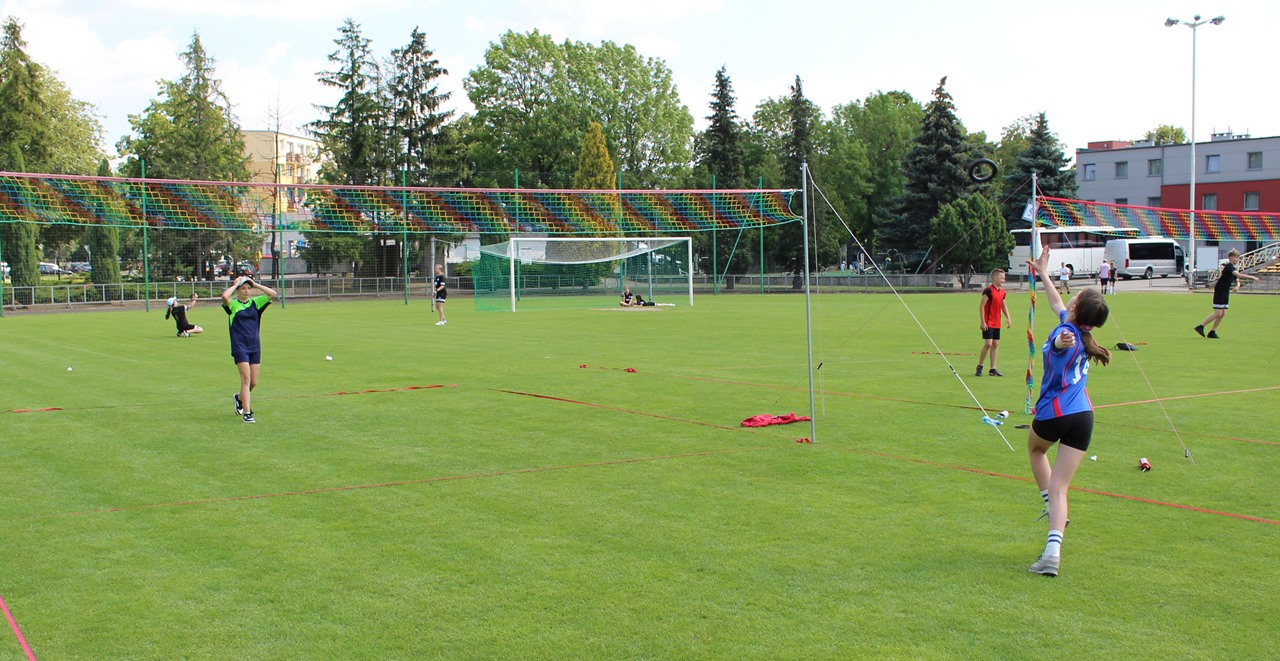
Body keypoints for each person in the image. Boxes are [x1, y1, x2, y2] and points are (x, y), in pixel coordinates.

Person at [1024, 245, 1111, 577]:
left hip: (1055, 413)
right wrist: (1044, 273)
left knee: (1035, 450)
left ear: (1077, 306)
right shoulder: (1080, 330)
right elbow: (1056, 304)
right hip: (1084, 417)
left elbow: (1063, 339)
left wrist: (1061, 342)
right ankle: (1052, 552)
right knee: (1061, 487)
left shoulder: (1068, 334)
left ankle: (1050, 508)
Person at [220, 275, 279, 424]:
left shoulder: (255, 302)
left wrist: (255, 284)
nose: (246, 291)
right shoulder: (233, 305)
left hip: (254, 345)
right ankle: (247, 413)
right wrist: (235, 284)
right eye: (243, 288)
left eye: (248, 288)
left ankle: (239, 398)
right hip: (240, 346)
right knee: (245, 379)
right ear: (238, 291)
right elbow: (225, 296)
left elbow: (273, 294)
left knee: (253, 382)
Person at [1195, 249, 1260, 339]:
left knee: (1223, 313)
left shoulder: (1232, 268)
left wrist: (1238, 285)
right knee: (1218, 313)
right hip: (1220, 291)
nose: (1238, 259)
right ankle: (1201, 326)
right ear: (1231, 258)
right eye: (1236, 257)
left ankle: (1212, 332)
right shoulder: (1229, 266)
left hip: (1225, 291)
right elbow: (1239, 275)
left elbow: (1236, 278)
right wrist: (1253, 277)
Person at [975, 268, 1012, 377]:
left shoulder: (1002, 292)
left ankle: (993, 369)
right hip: (988, 322)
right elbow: (982, 306)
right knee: (988, 344)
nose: (1004, 280)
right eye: (1002, 278)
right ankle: (980, 366)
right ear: (995, 278)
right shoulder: (988, 291)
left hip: (997, 323)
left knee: (995, 345)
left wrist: (1008, 318)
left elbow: (1003, 306)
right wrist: (983, 321)